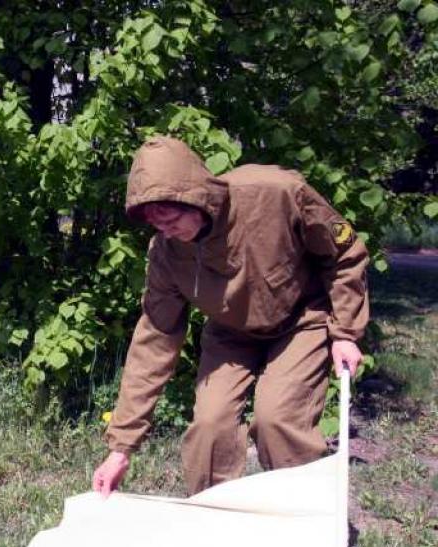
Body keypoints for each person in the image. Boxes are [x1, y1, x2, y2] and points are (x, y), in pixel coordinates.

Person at [93, 136, 368, 496]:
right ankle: (215, 514)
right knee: (209, 425)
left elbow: (345, 254)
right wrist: (121, 448)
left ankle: (300, 511)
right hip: (230, 333)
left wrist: (345, 332)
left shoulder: (277, 193)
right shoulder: (167, 252)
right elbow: (155, 340)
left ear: (196, 198)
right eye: (157, 226)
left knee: (277, 419)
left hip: (301, 320)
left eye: (172, 220)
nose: (166, 232)